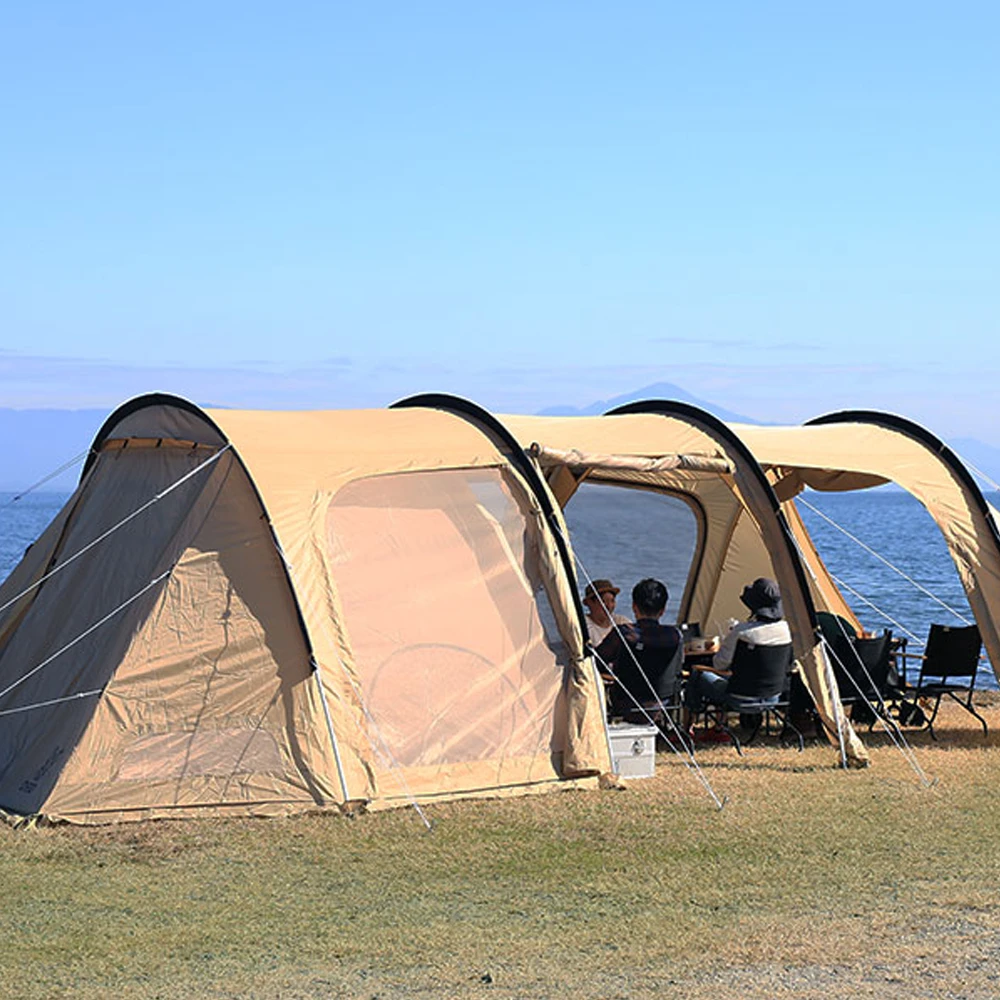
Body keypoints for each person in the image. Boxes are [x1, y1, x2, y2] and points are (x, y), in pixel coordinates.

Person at [683, 577, 793, 728]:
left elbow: (720, 665)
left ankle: (691, 726)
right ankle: (720, 726)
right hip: (773, 697)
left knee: (697, 675)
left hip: (739, 698)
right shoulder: (787, 630)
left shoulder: (742, 632)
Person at [594, 578, 683, 718]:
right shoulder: (674, 635)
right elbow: (678, 666)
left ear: (634, 607)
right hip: (663, 705)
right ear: (663, 611)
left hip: (626, 705)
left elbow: (595, 662)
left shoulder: (624, 633)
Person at [582, 579, 630, 646]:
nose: (609, 606)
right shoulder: (583, 627)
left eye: (612, 601)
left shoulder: (622, 622)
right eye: (603, 601)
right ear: (589, 603)